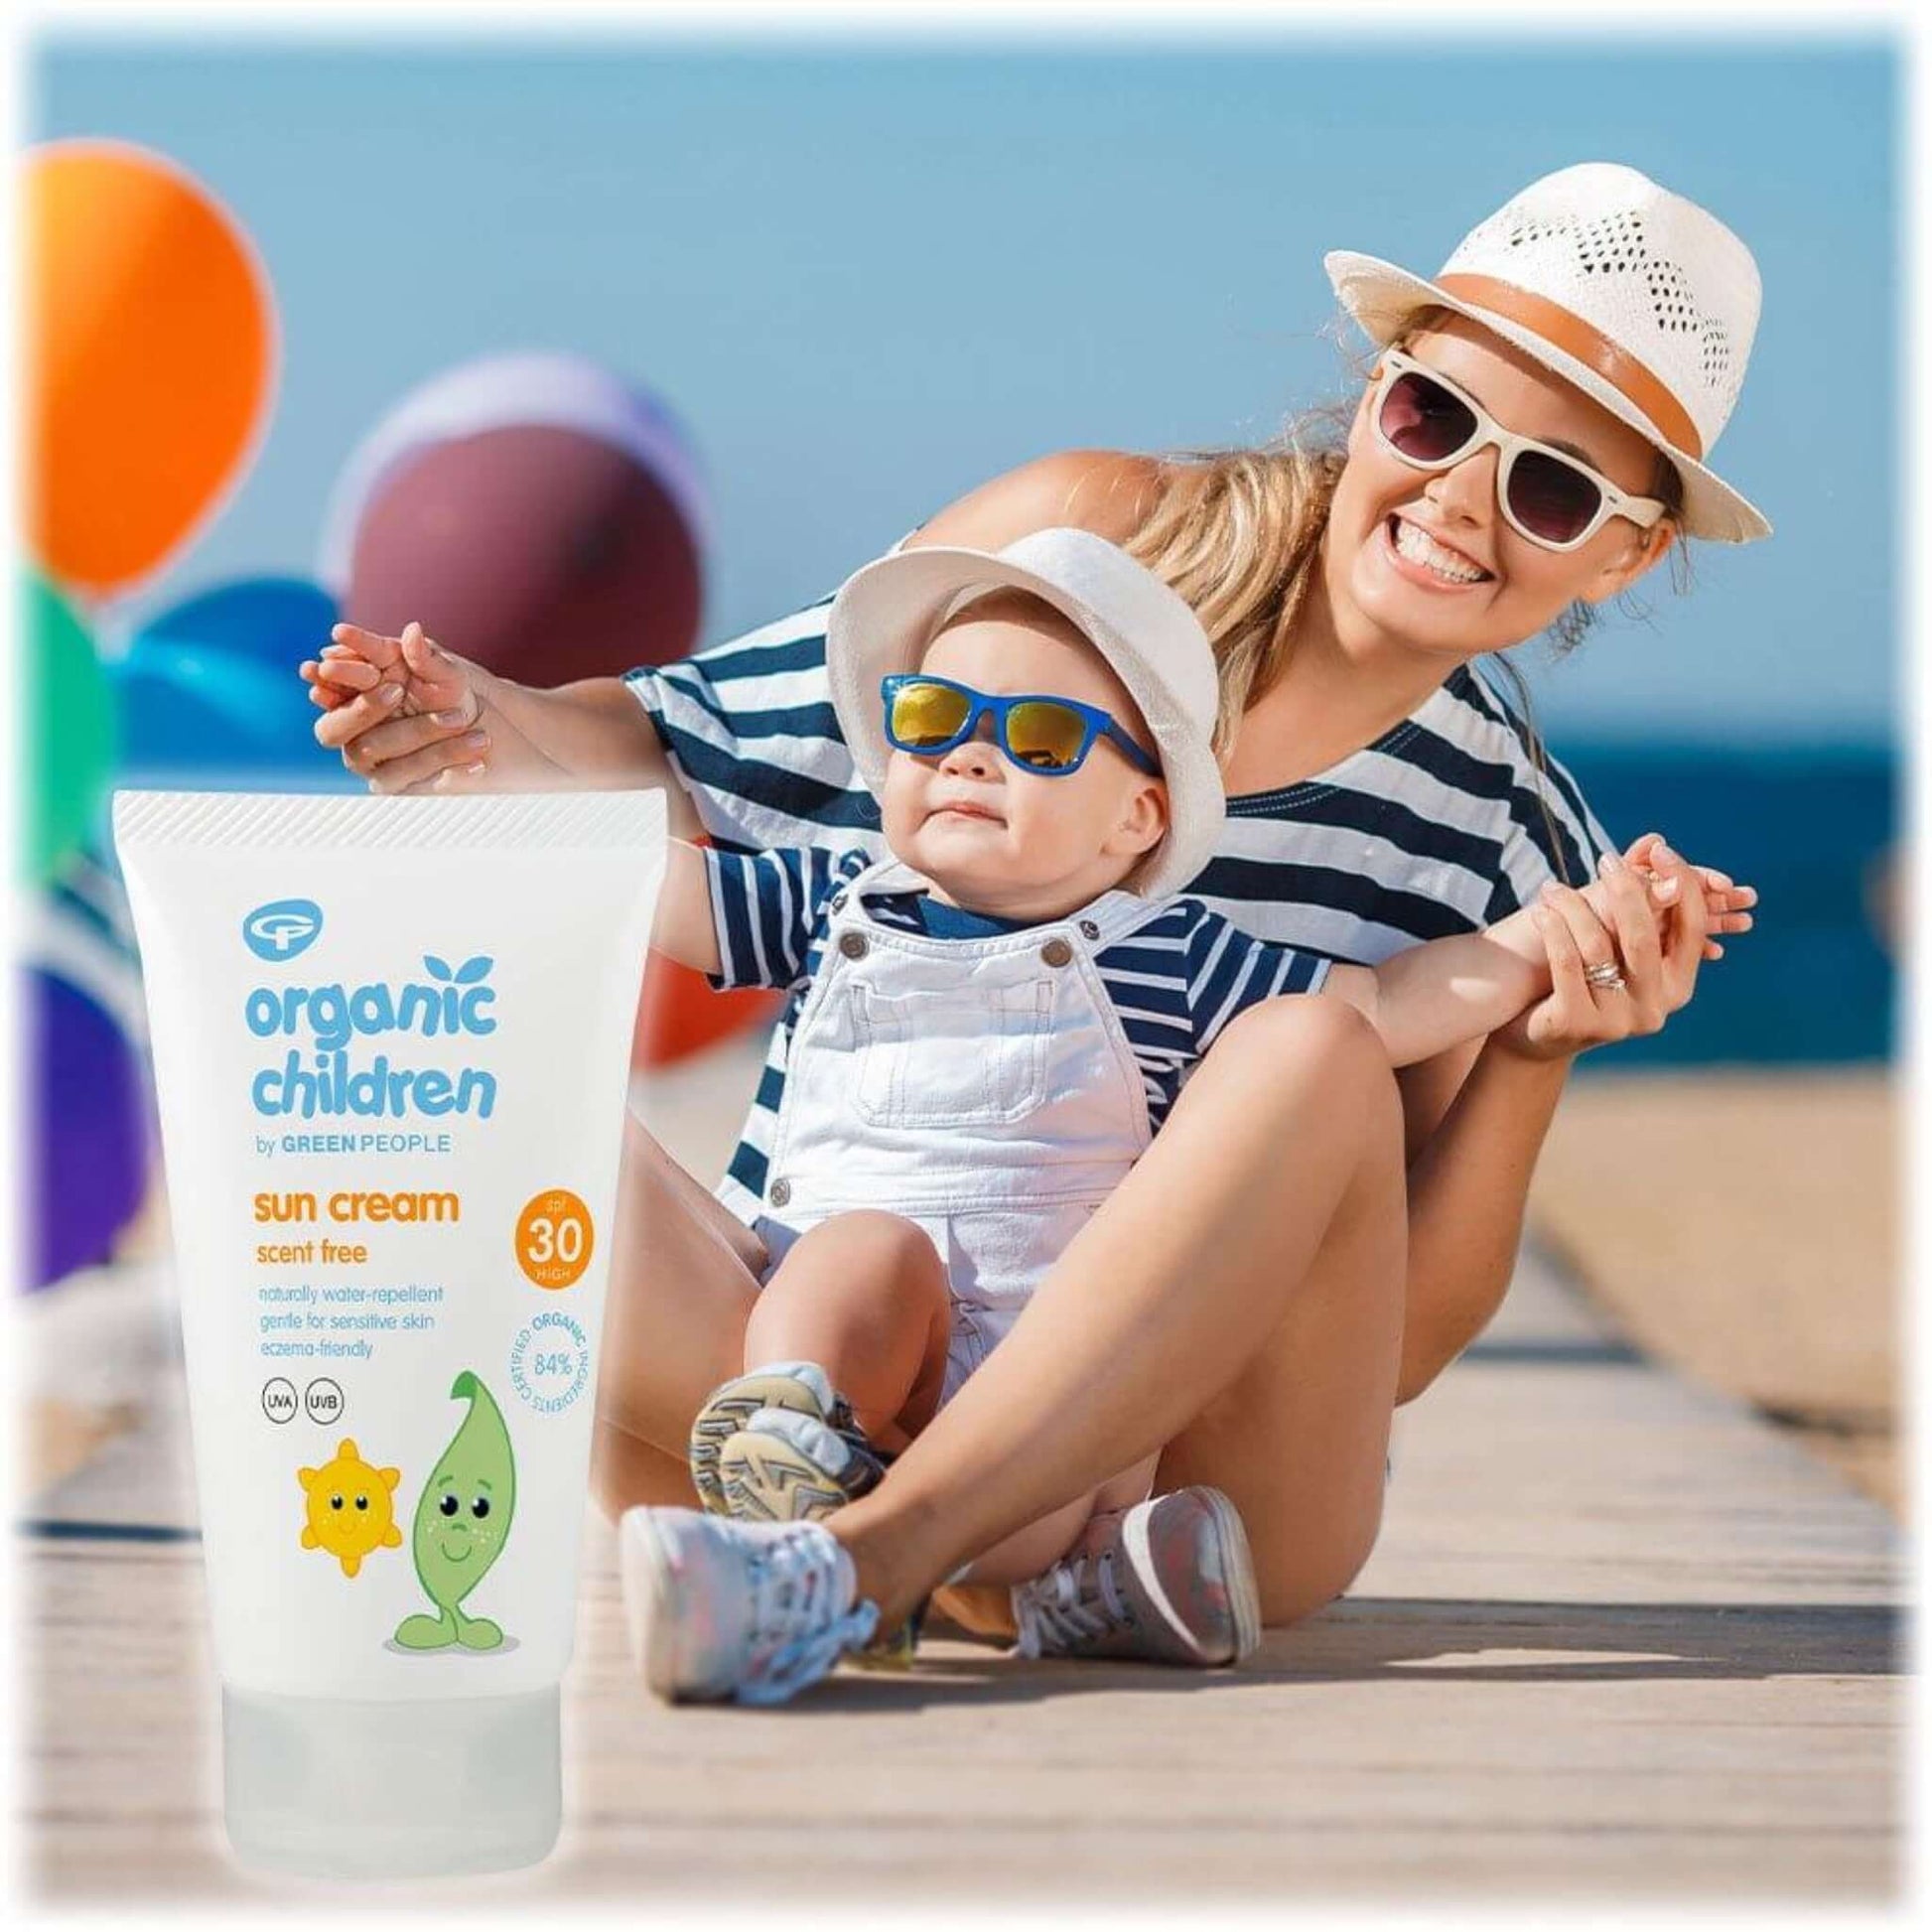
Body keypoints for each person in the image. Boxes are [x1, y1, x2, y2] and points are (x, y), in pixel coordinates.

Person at [303, 162, 1763, 1697]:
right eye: (1434, 418)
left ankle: (865, 1564)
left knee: (1311, 1041)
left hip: (1166, 1496)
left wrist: (1532, 1045)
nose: (1462, 496)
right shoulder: (1072, 562)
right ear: (1375, 391)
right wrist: (478, 722)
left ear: (1624, 551)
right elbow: (682, 746)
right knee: (454, 1076)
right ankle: (845, 1534)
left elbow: (1383, 1348)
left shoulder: (1511, 845)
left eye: (1551, 488)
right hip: (804, 1384)